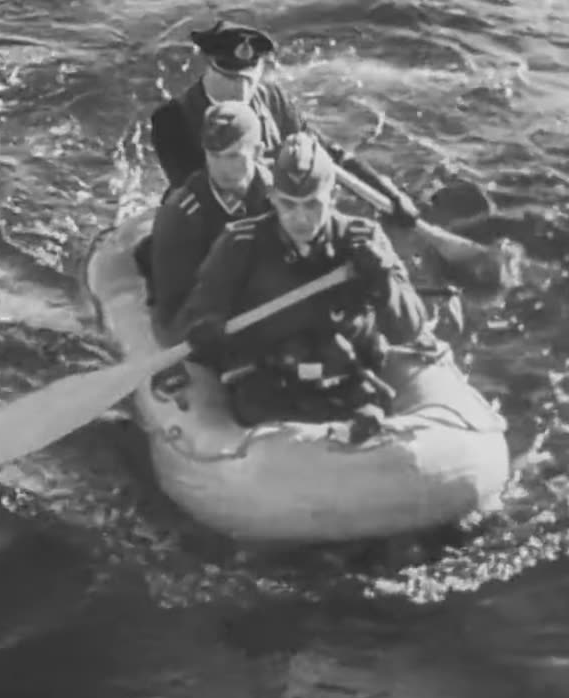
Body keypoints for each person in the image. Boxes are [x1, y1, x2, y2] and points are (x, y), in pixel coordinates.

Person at [169, 131, 428, 434]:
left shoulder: (364, 239)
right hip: (270, 388)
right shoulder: (241, 244)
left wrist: (383, 283)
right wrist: (205, 328)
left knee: (369, 415)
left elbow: (410, 328)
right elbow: (194, 317)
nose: (301, 218)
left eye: (312, 205)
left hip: (348, 383)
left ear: (332, 198)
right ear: (273, 198)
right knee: (254, 405)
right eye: (289, 205)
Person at [148, 20, 420, 228]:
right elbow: (206, 191)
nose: (241, 91)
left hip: (282, 212)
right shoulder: (171, 119)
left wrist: (390, 194)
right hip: (205, 222)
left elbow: (325, 153)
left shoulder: (272, 98)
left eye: (248, 79)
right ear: (208, 67)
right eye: (229, 79)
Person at [140, 101, 272, 325]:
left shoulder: (281, 194)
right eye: (214, 155)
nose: (220, 168)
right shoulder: (182, 216)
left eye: (232, 156)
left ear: (258, 151)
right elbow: (172, 312)